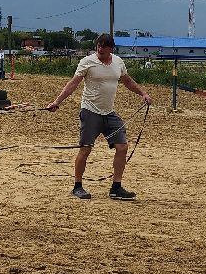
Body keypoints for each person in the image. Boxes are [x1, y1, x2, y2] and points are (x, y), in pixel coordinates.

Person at [46, 33, 151, 200]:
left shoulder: (118, 62)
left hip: (109, 112)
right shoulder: (87, 62)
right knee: (85, 149)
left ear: (111, 48)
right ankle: (77, 186)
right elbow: (73, 84)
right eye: (98, 45)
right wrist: (57, 102)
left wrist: (143, 93)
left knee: (122, 147)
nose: (100, 49)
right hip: (90, 111)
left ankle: (116, 187)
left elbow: (127, 81)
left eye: (104, 46)